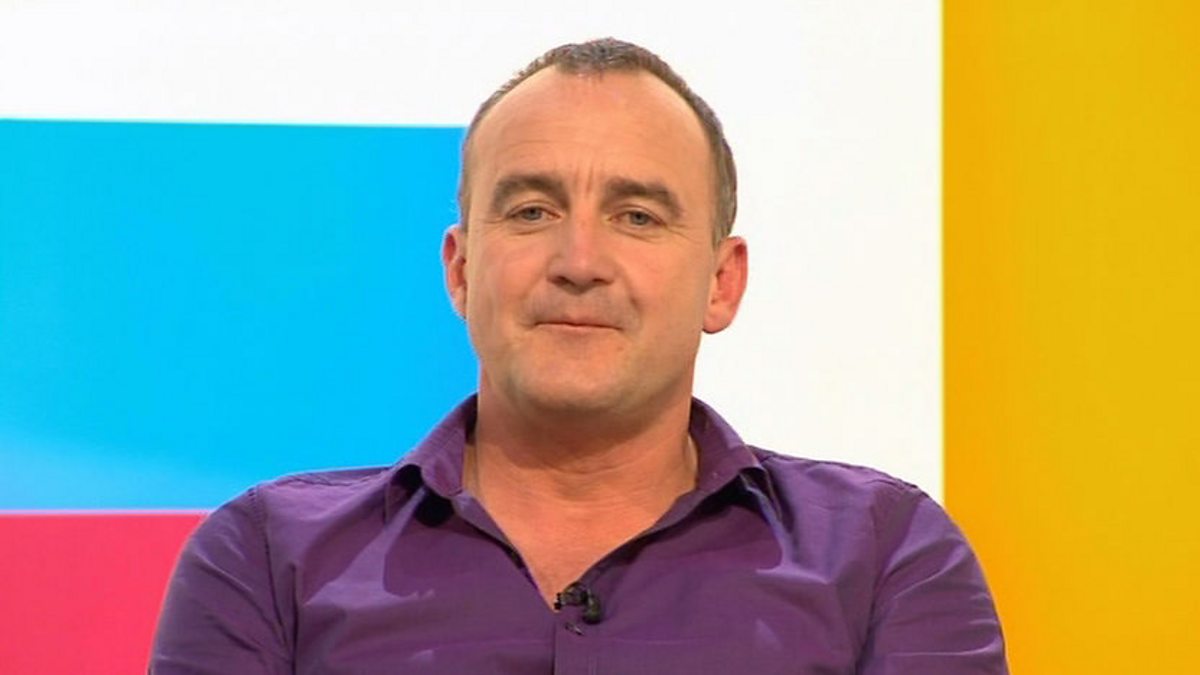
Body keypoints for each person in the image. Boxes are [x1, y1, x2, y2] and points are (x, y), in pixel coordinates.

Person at [151, 38, 1007, 674]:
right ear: (460, 269)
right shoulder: (266, 561)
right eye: (531, 211)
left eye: (638, 216)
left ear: (722, 282)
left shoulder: (884, 556)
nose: (580, 260)